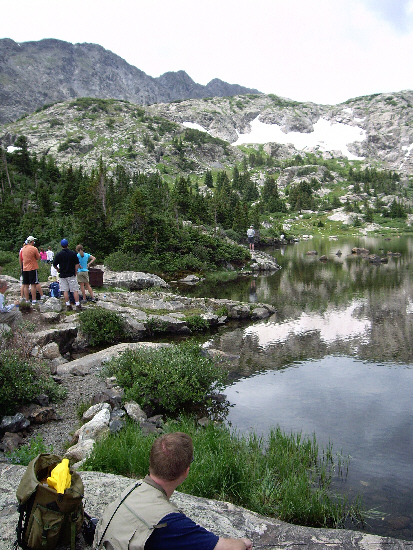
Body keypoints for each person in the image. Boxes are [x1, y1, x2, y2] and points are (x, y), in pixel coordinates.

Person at [94, 432, 252, 550]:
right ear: (186, 471)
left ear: (152, 463)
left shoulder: (133, 489)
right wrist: (243, 543)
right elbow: (225, 547)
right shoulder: (168, 522)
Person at [53, 239, 82, 312]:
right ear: (67, 245)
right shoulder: (72, 253)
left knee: (65, 290)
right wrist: (75, 271)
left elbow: (54, 264)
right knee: (74, 290)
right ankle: (77, 305)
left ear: (61, 245)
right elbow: (77, 264)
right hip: (71, 274)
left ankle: (68, 305)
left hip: (62, 275)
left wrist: (58, 269)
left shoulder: (59, 254)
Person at [20, 236, 46, 304]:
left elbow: (21, 258)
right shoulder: (34, 248)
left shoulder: (23, 249)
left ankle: (27, 300)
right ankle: (34, 300)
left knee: (26, 285)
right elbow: (38, 257)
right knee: (33, 284)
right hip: (32, 268)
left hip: (25, 268)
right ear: (32, 241)